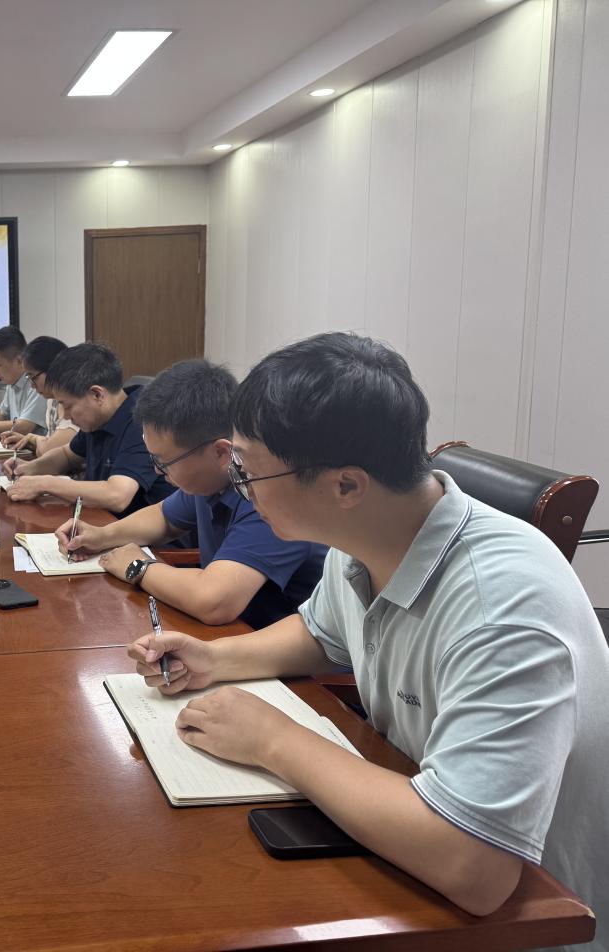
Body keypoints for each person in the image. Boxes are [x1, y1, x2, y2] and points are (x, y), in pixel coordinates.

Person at [127, 333, 608, 933]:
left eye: (248, 471)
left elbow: (476, 869)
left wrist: (272, 740)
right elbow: (319, 634)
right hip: (405, 836)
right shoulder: (366, 538)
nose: (240, 486)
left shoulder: (503, 603)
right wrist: (214, 659)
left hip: (533, 916)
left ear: (346, 486)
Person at [57, 359, 325, 628]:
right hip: (227, 633)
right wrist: (101, 536)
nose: (157, 471)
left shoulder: (267, 491)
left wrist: (137, 566)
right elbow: (164, 517)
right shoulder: (212, 478)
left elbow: (214, 601)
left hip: (266, 640)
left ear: (220, 452)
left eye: (164, 462)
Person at [3, 342, 172, 517]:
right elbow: (67, 456)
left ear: (97, 394)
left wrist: (44, 484)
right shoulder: (99, 418)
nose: (66, 415)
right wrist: (29, 468)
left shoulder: (143, 420)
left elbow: (117, 495)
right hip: (101, 519)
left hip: (139, 530)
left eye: (68, 406)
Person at [0, 336, 79, 458]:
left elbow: (50, 450)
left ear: (53, 369)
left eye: (33, 377)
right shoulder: (51, 400)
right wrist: (29, 440)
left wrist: (34, 439)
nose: (32, 385)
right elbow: (51, 443)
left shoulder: (74, 399)